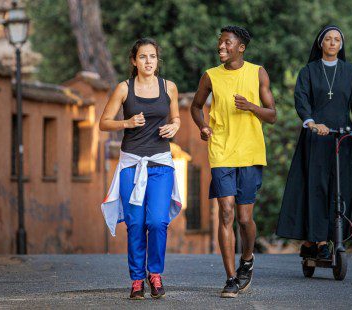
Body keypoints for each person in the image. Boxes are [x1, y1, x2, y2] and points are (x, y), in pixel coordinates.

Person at [190, 25, 277, 298]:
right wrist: (203, 126)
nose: (221, 47)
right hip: (221, 151)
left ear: (241, 47)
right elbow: (196, 106)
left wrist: (252, 107)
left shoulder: (257, 72)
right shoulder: (210, 76)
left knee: (244, 218)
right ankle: (230, 278)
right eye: (220, 43)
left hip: (250, 152)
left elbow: (272, 114)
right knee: (226, 212)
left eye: (227, 43)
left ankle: (247, 259)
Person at [276, 25, 352, 260]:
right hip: (316, 138)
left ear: (341, 45)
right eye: (328, 39)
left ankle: (333, 237)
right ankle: (316, 240)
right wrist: (310, 122)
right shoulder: (308, 72)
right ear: (320, 43)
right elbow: (302, 98)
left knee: (341, 187)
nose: (332, 43)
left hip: (342, 138)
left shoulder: (351, 73)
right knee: (316, 187)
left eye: (337, 39)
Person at [99, 38, 181, 300]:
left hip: (161, 163)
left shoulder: (169, 87)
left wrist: (175, 126)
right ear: (134, 61)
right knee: (135, 223)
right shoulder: (124, 89)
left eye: (153, 57)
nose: (148, 62)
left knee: (157, 222)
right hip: (131, 164)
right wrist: (127, 122)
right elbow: (104, 123)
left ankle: (154, 274)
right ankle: (137, 280)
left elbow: (176, 117)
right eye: (143, 57)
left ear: (158, 60)